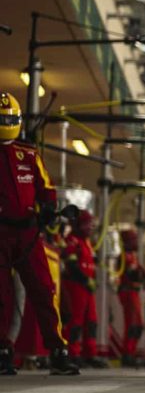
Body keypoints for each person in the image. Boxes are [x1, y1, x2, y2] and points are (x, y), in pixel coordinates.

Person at [0, 93, 77, 375]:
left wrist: (48, 207)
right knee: (2, 296)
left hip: (29, 234)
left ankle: (58, 349)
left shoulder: (29, 154)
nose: (5, 123)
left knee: (44, 291)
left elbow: (47, 189)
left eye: (9, 119)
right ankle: (3, 351)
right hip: (1, 234)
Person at [61, 209, 104, 368]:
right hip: (76, 286)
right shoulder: (72, 240)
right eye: (87, 224)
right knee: (75, 321)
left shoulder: (87, 243)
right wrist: (86, 279)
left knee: (91, 321)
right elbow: (71, 265)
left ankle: (89, 353)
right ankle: (73, 353)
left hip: (87, 287)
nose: (90, 227)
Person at [115, 228, 145, 367]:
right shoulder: (123, 257)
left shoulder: (132, 256)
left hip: (134, 292)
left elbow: (141, 273)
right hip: (128, 292)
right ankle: (127, 354)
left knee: (138, 326)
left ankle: (130, 352)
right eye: (133, 239)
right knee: (133, 325)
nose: (136, 242)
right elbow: (133, 274)